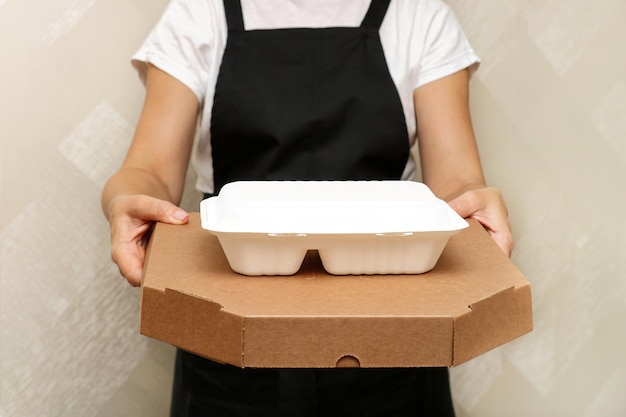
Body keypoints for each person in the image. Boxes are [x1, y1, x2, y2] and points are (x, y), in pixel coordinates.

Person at [102, 0, 514, 415]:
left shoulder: (419, 15)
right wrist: (125, 201)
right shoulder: (200, 13)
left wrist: (475, 202)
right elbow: (148, 169)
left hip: (392, 346)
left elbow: (457, 183)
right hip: (229, 343)